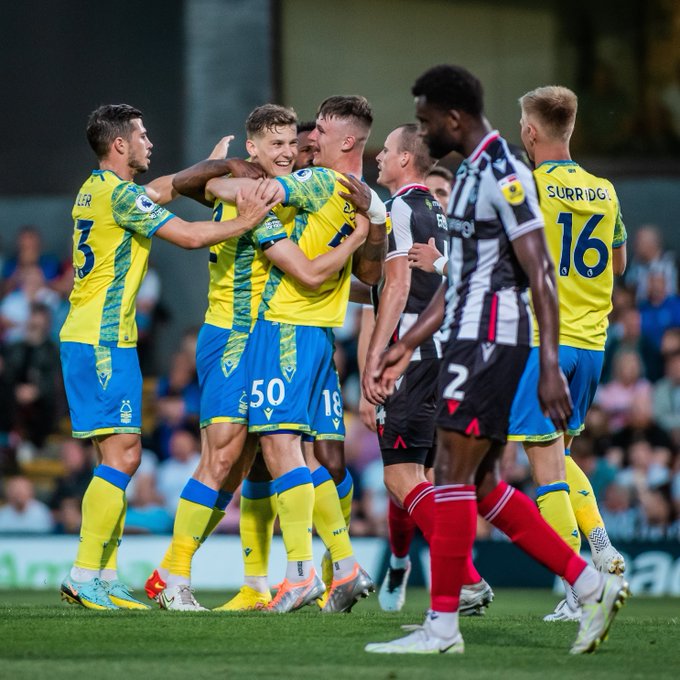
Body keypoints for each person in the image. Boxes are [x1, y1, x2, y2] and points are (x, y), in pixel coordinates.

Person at [365, 65, 629, 656]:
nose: (423, 130)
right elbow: (465, 277)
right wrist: (405, 345)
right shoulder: (474, 173)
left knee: (455, 476)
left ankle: (444, 629)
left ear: (453, 117)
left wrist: (553, 360)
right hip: (470, 333)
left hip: (492, 341)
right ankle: (588, 585)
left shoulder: (507, 172)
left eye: (428, 118)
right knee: (479, 484)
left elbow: (539, 269)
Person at [146, 104, 371, 612]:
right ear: (253, 150)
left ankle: (252, 581)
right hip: (231, 335)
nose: (289, 152)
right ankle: (174, 573)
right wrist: (212, 172)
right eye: (276, 145)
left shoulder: (287, 196)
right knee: (224, 456)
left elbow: (319, 272)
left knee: (258, 461)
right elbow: (177, 187)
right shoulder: (246, 191)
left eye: (293, 143)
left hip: (271, 336)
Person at [58, 103, 280, 611]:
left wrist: (213, 166)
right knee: (125, 456)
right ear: (120, 145)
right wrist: (246, 220)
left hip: (98, 338)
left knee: (113, 458)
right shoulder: (118, 195)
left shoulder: (99, 189)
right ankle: (83, 574)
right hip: (101, 341)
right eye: (141, 134)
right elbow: (188, 236)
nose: (148, 142)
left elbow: (164, 187)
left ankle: (104, 575)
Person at [203, 96, 386, 613]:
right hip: (320, 334)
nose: (309, 142)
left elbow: (250, 191)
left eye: (319, 132)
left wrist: (216, 173)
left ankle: (301, 573)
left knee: (280, 449)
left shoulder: (318, 181)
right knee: (307, 456)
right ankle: (344, 566)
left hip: (285, 326)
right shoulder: (366, 200)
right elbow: (370, 279)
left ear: (347, 141)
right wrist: (367, 227)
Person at [504, 85, 628, 621]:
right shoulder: (604, 190)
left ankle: (580, 589)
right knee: (560, 456)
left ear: (531, 132)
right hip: (592, 347)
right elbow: (619, 265)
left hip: (541, 344)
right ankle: (600, 544)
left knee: (544, 469)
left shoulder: (526, 186)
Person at [358, 123, 492, 614]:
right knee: (420, 475)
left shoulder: (400, 208)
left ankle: (467, 577)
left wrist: (377, 358)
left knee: (401, 478)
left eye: (387, 152)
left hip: (415, 358)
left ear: (406, 160)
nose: (379, 159)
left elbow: (393, 289)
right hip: (446, 354)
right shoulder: (439, 209)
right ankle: (460, 576)